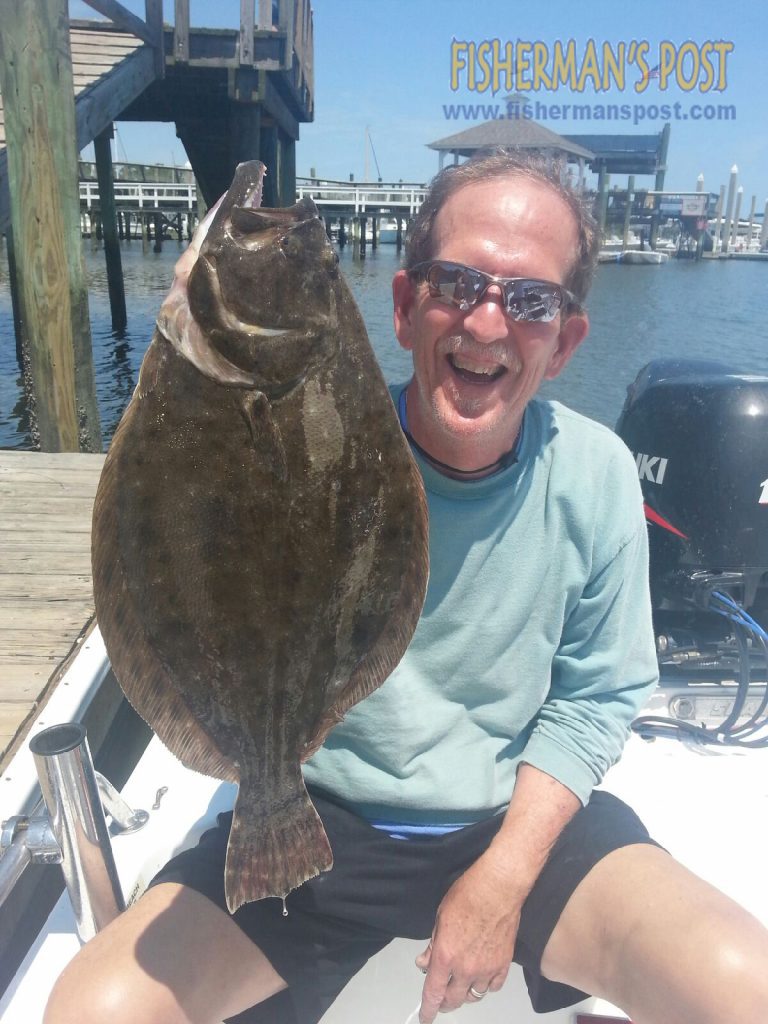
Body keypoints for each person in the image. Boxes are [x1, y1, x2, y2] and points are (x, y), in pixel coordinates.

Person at [45, 150, 768, 1024]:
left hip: (518, 827)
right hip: (314, 817)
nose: (489, 323)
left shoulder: (597, 472)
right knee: (92, 1009)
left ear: (568, 340)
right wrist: (184, 344)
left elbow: (597, 695)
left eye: (531, 300)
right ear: (402, 306)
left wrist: (501, 879)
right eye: (456, 283)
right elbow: (158, 516)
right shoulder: (298, 433)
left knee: (744, 986)